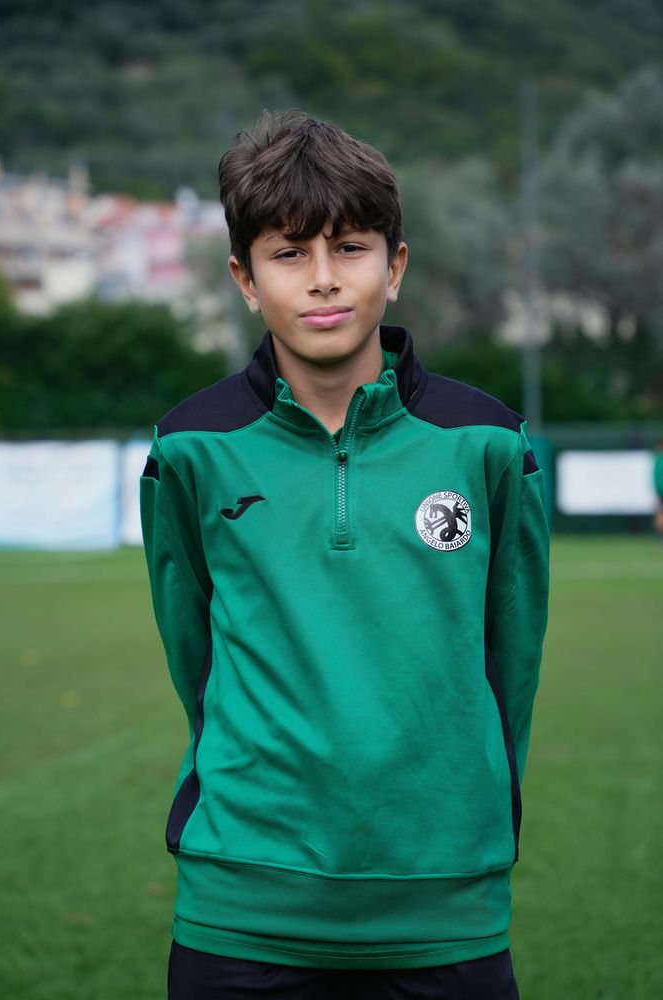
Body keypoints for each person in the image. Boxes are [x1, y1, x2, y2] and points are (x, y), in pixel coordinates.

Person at [140, 111, 550, 1000]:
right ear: (245, 280)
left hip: (443, 899)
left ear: (393, 268)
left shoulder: (486, 442)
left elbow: (511, 658)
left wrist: (472, 815)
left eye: (351, 247)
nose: (323, 278)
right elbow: (191, 652)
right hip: (241, 899)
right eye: (289, 253)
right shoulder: (191, 447)